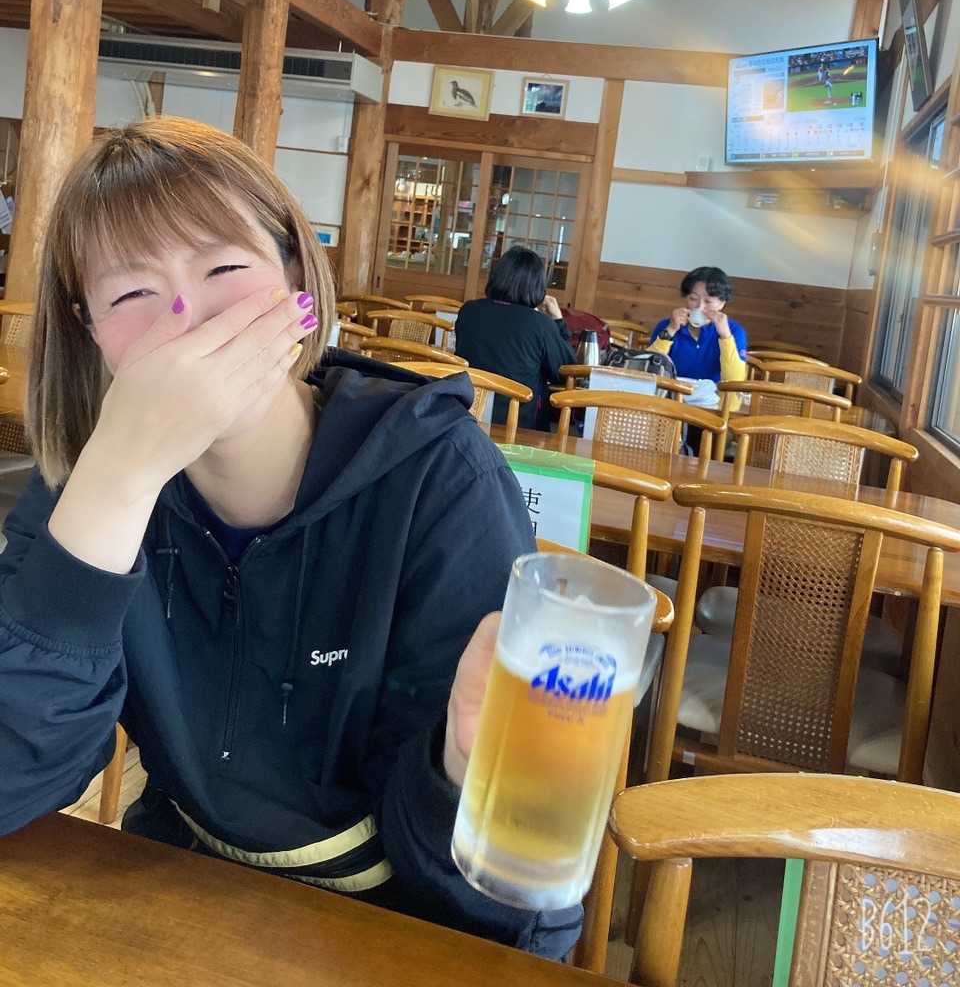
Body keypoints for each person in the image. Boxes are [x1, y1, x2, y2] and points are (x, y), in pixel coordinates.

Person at [0, 119, 580, 959]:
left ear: (297, 278)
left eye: (224, 270)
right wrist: (120, 476)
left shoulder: (438, 475)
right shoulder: (84, 478)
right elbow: (16, 774)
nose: (188, 323)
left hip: (392, 928)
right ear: (88, 327)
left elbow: (504, 900)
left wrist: (464, 770)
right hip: (178, 897)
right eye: (130, 296)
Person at [455, 247, 575, 431]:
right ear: (537, 287)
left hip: (466, 418)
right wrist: (558, 321)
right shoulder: (540, 324)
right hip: (519, 427)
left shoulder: (469, 311)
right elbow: (564, 372)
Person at [648, 266, 748, 387]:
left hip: (713, 396)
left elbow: (735, 381)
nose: (699, 307)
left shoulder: (734, 331)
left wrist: (725, 337)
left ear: (722, 304)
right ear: (686, 298)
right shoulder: (666, 325)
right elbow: (648, 370)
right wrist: (671, 330)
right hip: (671, 392)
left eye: (708, 301)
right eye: (693, 298)